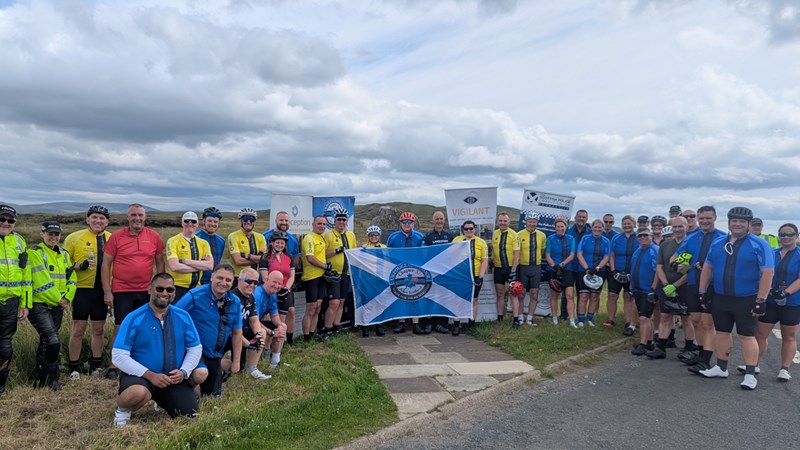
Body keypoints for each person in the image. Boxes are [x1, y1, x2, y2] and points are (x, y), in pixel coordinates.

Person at [112, 273, 206, 426]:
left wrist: (184, 371)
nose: (164, 293)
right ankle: (123, 409)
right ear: (150, 290)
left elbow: (195, 348)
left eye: (169, 290)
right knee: (137, 393)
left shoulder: (183, 316)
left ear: (174, 292)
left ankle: (162, 401)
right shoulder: (134, 317)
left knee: (191, 415)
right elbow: (118, 355)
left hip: (171, 378)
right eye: (159, 289)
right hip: (141, 376)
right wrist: (150, 375)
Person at [697, 207, 774, 390]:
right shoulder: (718, 242)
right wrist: (702, 291)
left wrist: (761, 300)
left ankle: (750, 374)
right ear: (729, 222)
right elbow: (708, 267)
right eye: (734, 221)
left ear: (748, 224)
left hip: (746, 298)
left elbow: (768, 272)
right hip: (722, 296)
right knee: (722, 332)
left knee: (746, 336)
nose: (737, 224)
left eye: (742, 221)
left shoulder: (759, 244)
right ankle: (721, 367)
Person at [102, 203, 165, 380]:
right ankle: (113, 366)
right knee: (120, 327)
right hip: (122, 290)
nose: (137, 218)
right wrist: (107, 291)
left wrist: (158, 288)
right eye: (134, 215)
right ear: (128, 217)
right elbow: (106, 264)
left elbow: (160, 263)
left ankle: (140, 362)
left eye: (140, 215)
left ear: (145, 217)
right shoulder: (116, 237)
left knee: (146, 327)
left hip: (146, 290)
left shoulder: (154, 237)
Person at [175, 263, 242, 398]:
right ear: (211, 277)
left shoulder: (235, 301)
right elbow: (174, 317)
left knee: (212, 397)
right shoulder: (194, 295)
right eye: (220, 278)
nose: (223, 283)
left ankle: (193, 391)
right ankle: (180, 390)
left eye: (228, 280)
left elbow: (237, 333)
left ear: (232, 282)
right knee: (200, 374)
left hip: (215, 354)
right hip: (193, 350)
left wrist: (236, 362)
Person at [676, 206, 726, 374]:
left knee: (707, 323)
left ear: (715, 218)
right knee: (696, 321)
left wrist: (709, 265)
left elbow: (728, 262)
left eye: (708, 218)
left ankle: (706, 361)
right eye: (702, 218)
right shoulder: (691, 238)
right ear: (698, 219)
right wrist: (679, 265)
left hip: (712, 286)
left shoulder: (723, 238)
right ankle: (701, 354)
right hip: (692, 284)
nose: (705, 221)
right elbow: (679, 259)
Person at [63, 204, 111, 379]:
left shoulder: (112, 238)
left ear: (107, 222)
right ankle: (74, 368)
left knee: (98, 330)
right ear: (87, 219)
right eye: (94, 217)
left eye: (102, 218)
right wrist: (78, 266)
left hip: (102, 290)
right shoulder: (74, 238)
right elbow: (62, 263)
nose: (98, 220)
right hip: (81, 290)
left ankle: (96, 366)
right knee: (78, 329)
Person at [28, 221, 77, 390]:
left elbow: (72, 277)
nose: (53, 237)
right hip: (39, 304)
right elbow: (41, 280)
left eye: (57, 234)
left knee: (46, 341)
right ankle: (53, 378)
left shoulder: (63, 254)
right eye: (50, 234)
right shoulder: (35, 253)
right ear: (42, 234)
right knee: (52, 340)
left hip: (58, 305)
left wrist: (68, 298)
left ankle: (42, 379)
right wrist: (59, 299)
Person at [749, 223, 800, 381]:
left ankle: (784, 369)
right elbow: (762, 272)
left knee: (789, 336)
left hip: (791, 301)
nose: (786, 237)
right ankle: (754, 364)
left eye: (790, 234)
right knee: (760, 333)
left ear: (797, 236)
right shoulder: (772, 253)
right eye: (782, 234)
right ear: (778, 236)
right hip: (770, 300)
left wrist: (786, 292)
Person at [647, 218, 691, 359]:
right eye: (675, 227)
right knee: (665, 316)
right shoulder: (665, 245)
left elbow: (692, 270)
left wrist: (676, 285)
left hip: (685, 286)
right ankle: (661, 348)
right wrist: (666, 284)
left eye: (680, 226)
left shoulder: (691, 243)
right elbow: (659, 267)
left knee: (686, 318)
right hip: (666, 286)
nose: (677, 229)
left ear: (686, 227)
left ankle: (689, 348)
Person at [0, 204, 31, 396]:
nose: (6, 223)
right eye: (2, 219)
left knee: (5, 346)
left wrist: (24, 303)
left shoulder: (19, 241)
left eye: (10, 220)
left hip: (11, 303)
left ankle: (1, 386)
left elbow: (26, 275)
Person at [262, 210, 301, 342]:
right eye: (281, 220)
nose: (284, 223)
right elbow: (264, 263)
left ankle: (288, 340)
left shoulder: (292, 239)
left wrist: (286, 287)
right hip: (271, 286)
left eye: (286, 220)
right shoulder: (265, 236)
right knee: (270, 314)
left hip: (286, 285)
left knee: (290, 311)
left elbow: (295, 259)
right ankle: (269, 342)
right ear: (276, 221)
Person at [226, 268, 271, 380]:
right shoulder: (232, 298)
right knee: (234, 369)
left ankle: (252, 368)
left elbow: (254, 320)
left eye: (255, 283)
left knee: (262, 332)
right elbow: (231, 330)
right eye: (249, 281)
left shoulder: (251, 297)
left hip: (241, 332)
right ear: (239, 280)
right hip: (229, 335)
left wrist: (258, 336)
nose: (252, 285)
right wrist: (249, 344)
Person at [386, 212, 425, 333]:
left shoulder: (420, 237)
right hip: (398, 270)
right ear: (400, 223)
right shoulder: (393, 237)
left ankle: (415, 324)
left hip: (415, 270)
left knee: (416, 295)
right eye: (404, 222)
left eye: (409, 222)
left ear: (413, 224)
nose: (407, 224)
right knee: (399, 295)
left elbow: (424, 253)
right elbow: (387, 254)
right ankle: (401, 323)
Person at [322, 209, 356, 339]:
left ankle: (336, 328)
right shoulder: (327, 235)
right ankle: (327, 330)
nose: (341, 222)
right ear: (335, 221)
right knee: (334, 303)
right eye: (339, 219)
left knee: (341, 302)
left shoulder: (351, 235)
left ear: (347, 221)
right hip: (333, 274)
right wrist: (337, 251)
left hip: (346, 273)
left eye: (344, 220)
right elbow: (322, 254)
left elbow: (354, 253)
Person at [258, 230, 297, 344]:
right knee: (271, 319)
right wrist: (275, 290)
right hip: (271, 291)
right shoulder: (265, 257)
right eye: (277, 242)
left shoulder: (288, 257)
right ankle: (267, 346)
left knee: (281, 320)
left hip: (285, 290)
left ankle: (278, 346)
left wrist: (286, 288)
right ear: (272, 243)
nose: (280, 245)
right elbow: (265, 278)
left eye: (282, 243)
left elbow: (292, 276)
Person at [166, 211, 213, 301]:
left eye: (193, 221)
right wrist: (200, 266)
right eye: (186, 221)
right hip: (177, 287)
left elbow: (210, 266)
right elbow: (174, 266)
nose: (190, 224)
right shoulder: (172, 241)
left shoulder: (204, 243)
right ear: (182, 223)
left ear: (197, 224)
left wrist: (184, 261)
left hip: (197, 288)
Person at [452, 220, 488, 335]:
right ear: (463, 230)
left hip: (475, 276)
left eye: (471, 228)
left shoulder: (481, 242)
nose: (468, 231)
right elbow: (450, 257)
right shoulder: (456, 240)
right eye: (466, 229)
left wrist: (480, 277)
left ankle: (471, 325)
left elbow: (484, 261)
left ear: (474, 229)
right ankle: (456, 325)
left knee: (474, 300)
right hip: (461, 275)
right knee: (457, 300)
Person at [423, 211, 455, 333]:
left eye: (441, 219)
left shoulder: (450, 235)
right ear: (433, 221)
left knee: (444, 297)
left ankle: (442, 324)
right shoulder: (428, 236)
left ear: (444, 220)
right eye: (437, 219)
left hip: (446, 272)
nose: (439, 221)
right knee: (431, 297)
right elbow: (423, 253)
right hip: (432, 271)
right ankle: (429, 323)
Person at [629, 229, 660, 356]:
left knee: (643, 318)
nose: (642, 237)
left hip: (649, 289)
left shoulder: (655, 250)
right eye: (639, 236)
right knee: (646, 316)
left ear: (651, 236)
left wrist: (653, 288)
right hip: (638, 289)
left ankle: (642, 345)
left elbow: (658, 271)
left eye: (645, 235)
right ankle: (649, 341)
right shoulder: (638, 250)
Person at [576, 219, 610, 327]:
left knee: (594, 296)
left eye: (600, 227)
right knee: (583, 296)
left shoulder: (606, 241)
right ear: (592, 227)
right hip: (584, 270)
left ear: (603, 229)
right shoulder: (585, 238)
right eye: (595, 227)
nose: (597, 229)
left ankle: (590, 319)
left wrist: (598, 268)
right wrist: (587, 268)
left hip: (599, 271)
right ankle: (581, 320)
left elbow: (606, 256)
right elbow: (579, 253)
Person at [252, 270, 289, 369]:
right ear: (266, 280)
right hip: (248, 324)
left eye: (279, 283)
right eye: (274, 282)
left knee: (283, 326)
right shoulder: (257, 294)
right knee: (263, 331)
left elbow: (274, 316)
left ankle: (275, 361)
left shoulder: (273, 294)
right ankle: (253, 366)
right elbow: (254, 320)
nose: (277, 286)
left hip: (257, 322)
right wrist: (272, 332)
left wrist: (279, 326)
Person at [607, 215, 637, 334]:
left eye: (629, 223)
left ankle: (628, 321)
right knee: (612, 295)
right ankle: (610, 319)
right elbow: (611, 255)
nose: (627, 226)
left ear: (634, 224)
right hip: (616, 271)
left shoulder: (638, 237)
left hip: (631, 272)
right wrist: (613, 270)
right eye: (624, 224)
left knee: (628, 297)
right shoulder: (616, 238)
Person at [301, 216, 329, 341]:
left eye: (324, 224)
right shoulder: (309, 237)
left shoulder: (322, 237)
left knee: (318, 307)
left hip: (322, 277)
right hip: (311, 277)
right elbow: (310, 258)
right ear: (313, 224)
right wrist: (325, 266)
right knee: (311, 308)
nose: (322, 226)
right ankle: (306, 337)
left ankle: (312, 334)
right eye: (319, 223)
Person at [545, 218, 577, 327]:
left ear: (565, 227)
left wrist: (562, 264)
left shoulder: (571, 238)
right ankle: (554, 318)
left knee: (569, 295)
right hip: (553, 269)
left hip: (567, 269)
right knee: (554, 295)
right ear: (555, 228)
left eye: (562, 226)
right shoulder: (550, 239)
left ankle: (572, 320)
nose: (560, 228)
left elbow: (572, 255)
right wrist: (554, 266)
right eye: (558, 227)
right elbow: (547, 255)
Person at [492, 212, 520, 325]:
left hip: (510, 268)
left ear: (509, 222)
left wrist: (513, 270)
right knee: (500, 294)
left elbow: (517, 254)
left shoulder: (514, 235)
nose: (502, 223)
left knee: (513, 293)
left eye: (505, 221)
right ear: (497, 222)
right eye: (500, 221)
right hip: (498, 268)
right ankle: (500, 317)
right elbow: (493, 251)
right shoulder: (494, 233)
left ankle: (516, 319)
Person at [518, 214, 546, 326]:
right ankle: (520, 317)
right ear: (526, 222)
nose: (532, 224)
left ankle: (529, 318)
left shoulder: (542, 235)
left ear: (537, 223)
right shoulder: (519, 234)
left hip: (536, 267)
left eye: (534, 222)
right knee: (521, 294)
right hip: (522, 267)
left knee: (534, 294)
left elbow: (542, 251)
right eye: (530, 221)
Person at [360, 225, 387, 337]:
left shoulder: (384, 247)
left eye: (376, 235)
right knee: (367, 303)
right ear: (368, 236)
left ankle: (379, 325)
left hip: (380, 278)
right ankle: (365, 326)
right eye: (371, 235)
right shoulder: (364, 247)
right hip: (367, 279)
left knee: (380, 303)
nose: (374, 237)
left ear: (379, 236)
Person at [228, 207, 268, 281]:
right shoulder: (233, 236)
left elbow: (265, 258)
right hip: (238, 276)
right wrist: (258, 259)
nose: (248, 221)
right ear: (241, 220)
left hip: (255, 276)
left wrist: (246, 256)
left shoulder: (260, 237)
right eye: (245, 219)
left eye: (251, 219)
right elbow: (238, 261)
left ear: (254, 221)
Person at [565, 210, 590, 320]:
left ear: (586, 219)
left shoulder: (590, 232)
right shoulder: (568, 231)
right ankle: (564, 315)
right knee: (567, 293)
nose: (581, 219)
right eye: (579, 216)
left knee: (582, 293)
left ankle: (580, 316)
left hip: (583, 267)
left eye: (583, 217)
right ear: (575, 218)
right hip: (569, 266)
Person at [195, 207, 226, 286]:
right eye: (209, 221)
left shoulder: (221, 241)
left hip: (214, 282)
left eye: (215, 222)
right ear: (204, 221)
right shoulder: (195, 237)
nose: (212, 224)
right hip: (197, 282)